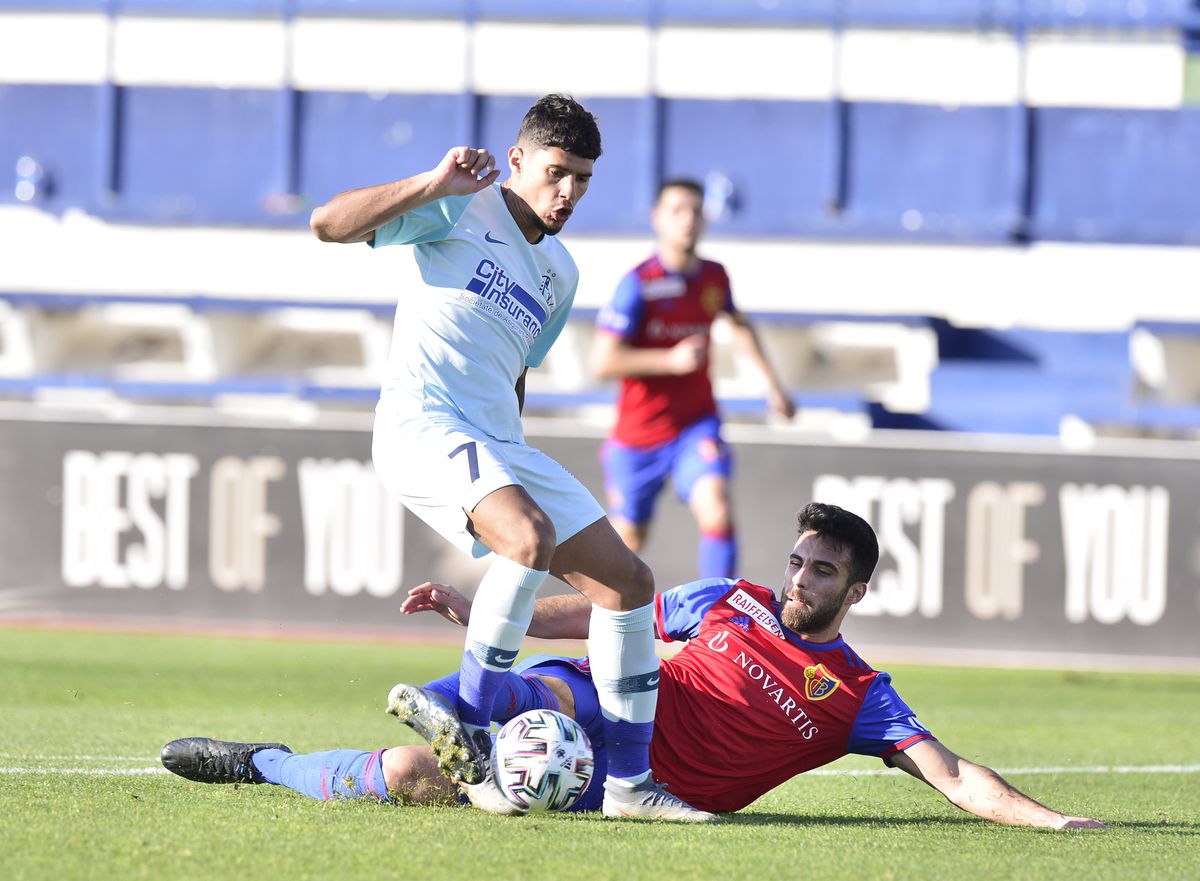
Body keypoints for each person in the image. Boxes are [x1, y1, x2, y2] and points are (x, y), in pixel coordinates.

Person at [160, 504, 1104, 829]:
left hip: (624, 779)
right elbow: (613, 615)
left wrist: (1051, 818)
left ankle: (268, 760)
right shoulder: (726, 598)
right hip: (600, 704)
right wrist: (488, 604)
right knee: (555, 680)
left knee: (406, 776)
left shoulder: (859, 694)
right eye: (798, 559)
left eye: (822, 571)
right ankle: (466, 710)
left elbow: (949, 771)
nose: (799, 578)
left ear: (855, 592)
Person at [306, 94, 709, 821]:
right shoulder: (458, 207)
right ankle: (464, 715)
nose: (570, 193)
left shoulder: (561, 271)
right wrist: (432, 183)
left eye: (583, 180)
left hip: (497, 443)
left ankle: (629, 787)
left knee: (628, 584)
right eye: (558, 172)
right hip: (422, 425)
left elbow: (516, 370)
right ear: (516, 159)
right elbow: (326, 223)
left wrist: (508, 462)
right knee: (527, 538)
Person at [590, 179, 796, 580]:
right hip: (639, 435)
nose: (688, 220)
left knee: (716, 508)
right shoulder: (638, 285)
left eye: (696, 211)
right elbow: (602, 361)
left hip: (695, 426)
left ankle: (715, 621)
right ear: (657, 219)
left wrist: (772, 385)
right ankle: (598, 628)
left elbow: (737, 324)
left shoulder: (714, 277)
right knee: (627, 543)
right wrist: (670, 360)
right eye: (677, 211)